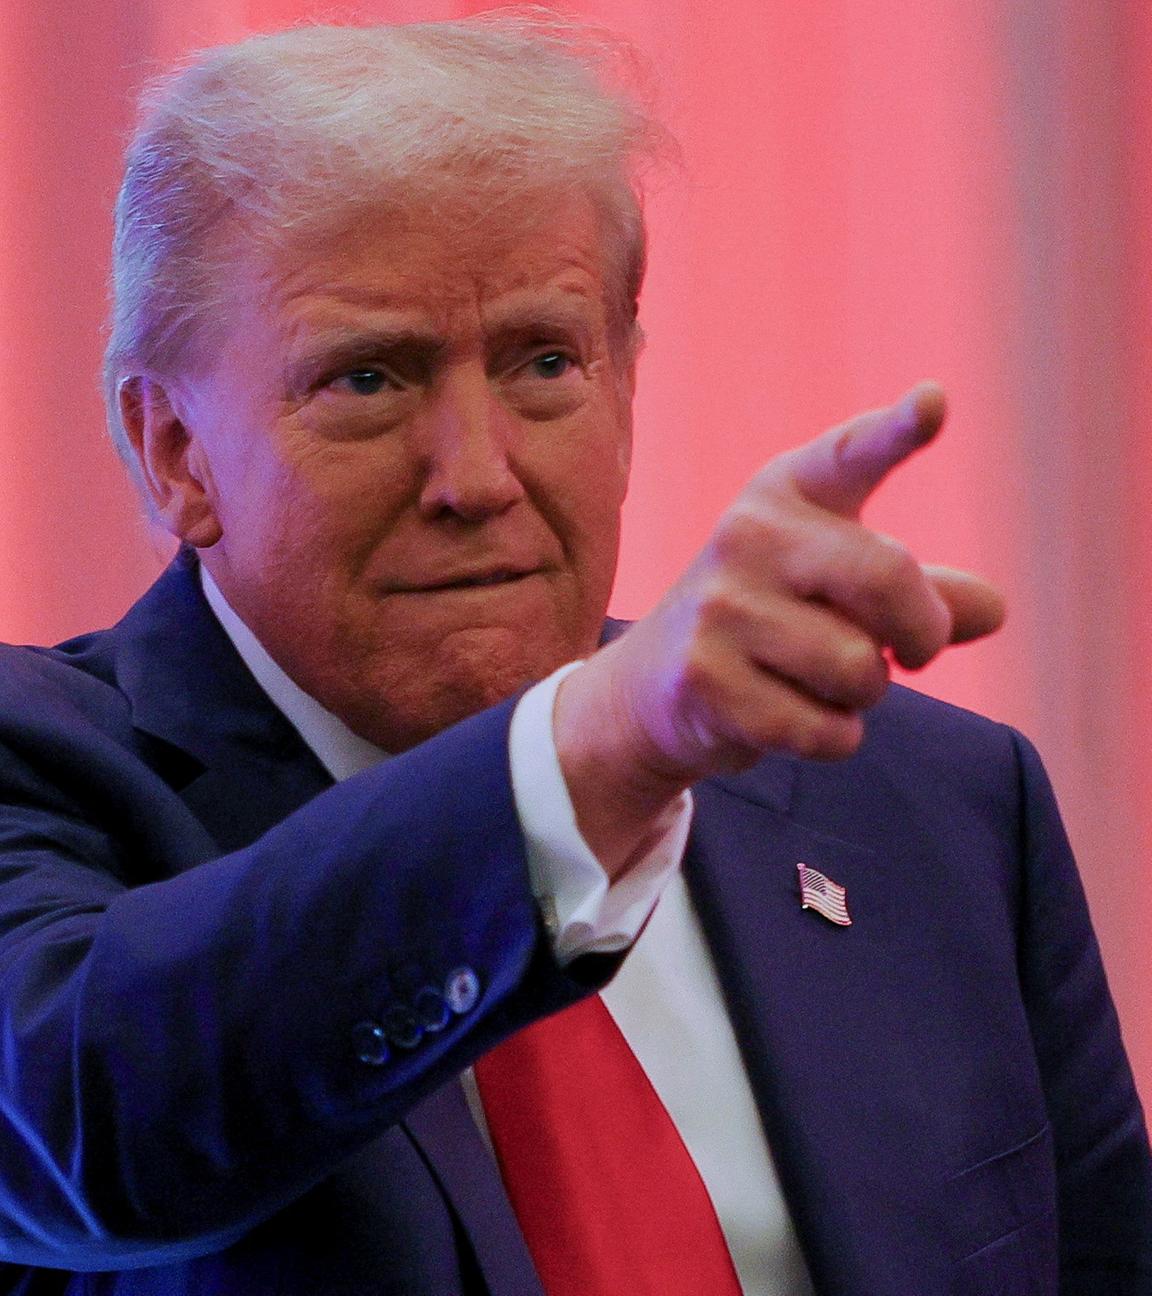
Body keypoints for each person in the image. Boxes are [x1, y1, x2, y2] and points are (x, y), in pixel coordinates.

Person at [0, 16, 1146, 1296]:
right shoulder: (41, 773)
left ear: (627, 379)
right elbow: (76, 1123)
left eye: (546, 361)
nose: (478, 477)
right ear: (173, 451)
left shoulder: (936, 810)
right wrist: (591, 762)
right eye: (369, 380)